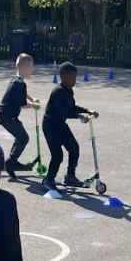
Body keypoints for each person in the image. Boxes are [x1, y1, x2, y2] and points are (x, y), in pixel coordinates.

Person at [41, 62, 98, 192]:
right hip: (51, 125)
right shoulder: (58, 92)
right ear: (64, 78)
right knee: (57, 155)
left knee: (74, 148)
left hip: (60, 124)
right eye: (72, 78)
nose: (75, 81)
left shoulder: (68, 91)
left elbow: (72, 107)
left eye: (75, 78)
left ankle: (70, 176)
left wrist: (87, 110)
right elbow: (64, 112)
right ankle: (48, 179)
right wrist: (79, 116)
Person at [0, 53, 39, 177]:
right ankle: (11, 162)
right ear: (24, 68)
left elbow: (24, 94)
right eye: (31, 67)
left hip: (7, 115)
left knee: (20, 136)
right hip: (7, 117)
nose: (32, 69)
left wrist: (32, 99)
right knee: (23, 138)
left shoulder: (16, 80)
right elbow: (22, 105)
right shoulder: (19, 83)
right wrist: (33, 105)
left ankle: (11, 162)